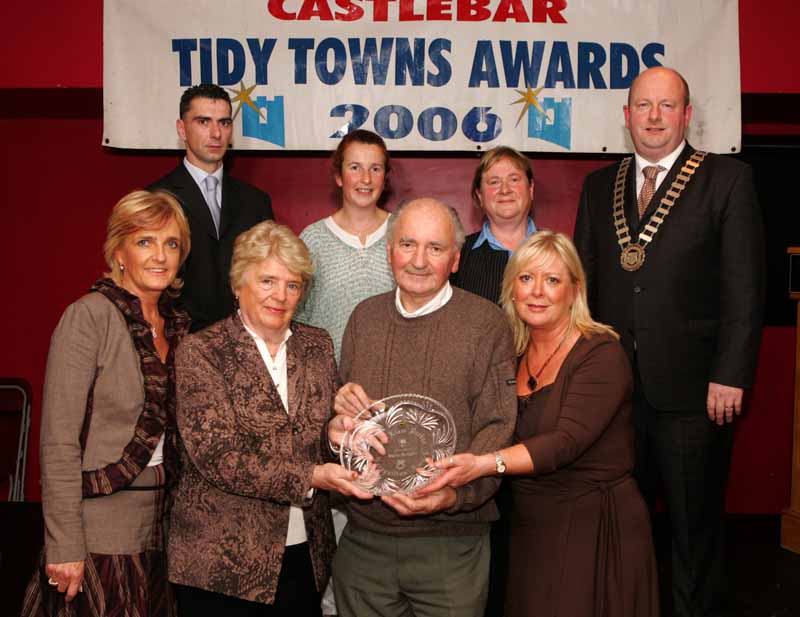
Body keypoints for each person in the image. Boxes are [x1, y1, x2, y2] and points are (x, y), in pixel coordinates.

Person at [573, 66, 765, 616]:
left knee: (692, 528)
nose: (653, 117)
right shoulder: (597, 186)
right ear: (626, 115)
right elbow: (583, 286)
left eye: (666, 106)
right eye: (643, 105)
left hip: (695, 391)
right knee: (620, 524)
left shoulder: (726, 180)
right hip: (613, 395)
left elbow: (745, 287)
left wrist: (730, 373)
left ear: (686, 115)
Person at [421, 230, 659, 617]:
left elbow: (564, 442)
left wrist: (484, 463)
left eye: (552, 280)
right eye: (526, 278)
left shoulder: (601, 354)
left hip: (595, 527)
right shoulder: (508, 352)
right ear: (511, 288)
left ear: (574, 290)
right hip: (531, 528)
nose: (537, 291)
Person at [168, 221, 371, 617]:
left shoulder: (317, 345)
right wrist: (313, 476)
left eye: (292, 285)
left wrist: (338, 434)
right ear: (238, 282)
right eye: (267, 281)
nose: (280, 295)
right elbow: (219, 457)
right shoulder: (201, 352)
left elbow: (321, 436)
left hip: (304, 555)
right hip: (220, 563)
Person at [329, 197, 518, 617]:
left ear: (455, 259)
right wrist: (336, 429)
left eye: (435, 248)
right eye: (408, 244)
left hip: (451, 544)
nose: (418, 260)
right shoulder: (364, 318)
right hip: (365, 542)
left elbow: (498, 427)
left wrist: (453, 495)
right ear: (389, 250)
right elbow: (344, 416)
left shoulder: (486, 323)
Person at [22, 190, 192, 616]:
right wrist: (64, 546)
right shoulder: (89, 316)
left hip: (160, 535)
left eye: (170, 243)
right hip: (97, 538)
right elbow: (58, 442)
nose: (159, 256)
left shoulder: (177, 327)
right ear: (119, 251)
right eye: (144, 242)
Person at [294, 130, 395, 615]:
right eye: (355, 167)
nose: (365, 178)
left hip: (391, 399)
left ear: (386, 177)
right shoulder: (312, 239)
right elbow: (298, 321)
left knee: (380, 515)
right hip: (328, 403)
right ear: (338, 174)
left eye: (375, 168)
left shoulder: (403, 235)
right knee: (333, 513)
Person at [150, 83, 274, 332]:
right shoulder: (157, 199)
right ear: (182, 129)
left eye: (224, 123)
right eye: (203, 122)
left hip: (245, 344)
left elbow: (267, 277)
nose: (216, 133)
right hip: (178, 343)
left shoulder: (256, 202)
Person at [451, 146, 537, 303]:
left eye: (514, 179)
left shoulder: (557, 252)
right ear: (480, 195)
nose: (505, 190)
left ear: (530, 189)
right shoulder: (458, 255)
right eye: (494, 182)